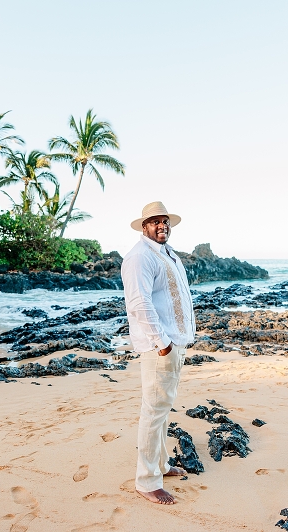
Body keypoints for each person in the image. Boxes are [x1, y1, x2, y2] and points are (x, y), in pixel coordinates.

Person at [122, 201, 196, 505]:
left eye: (165, 221)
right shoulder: (139, 257)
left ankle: (162, 466)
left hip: (172, 344)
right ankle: (147, 482)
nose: (162, 225)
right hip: (159, 348)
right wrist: (162, 342)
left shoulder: (168, 255)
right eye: (154, 221)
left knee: (163, 411)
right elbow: (139, 304)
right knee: (153, 413)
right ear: (144, 227)